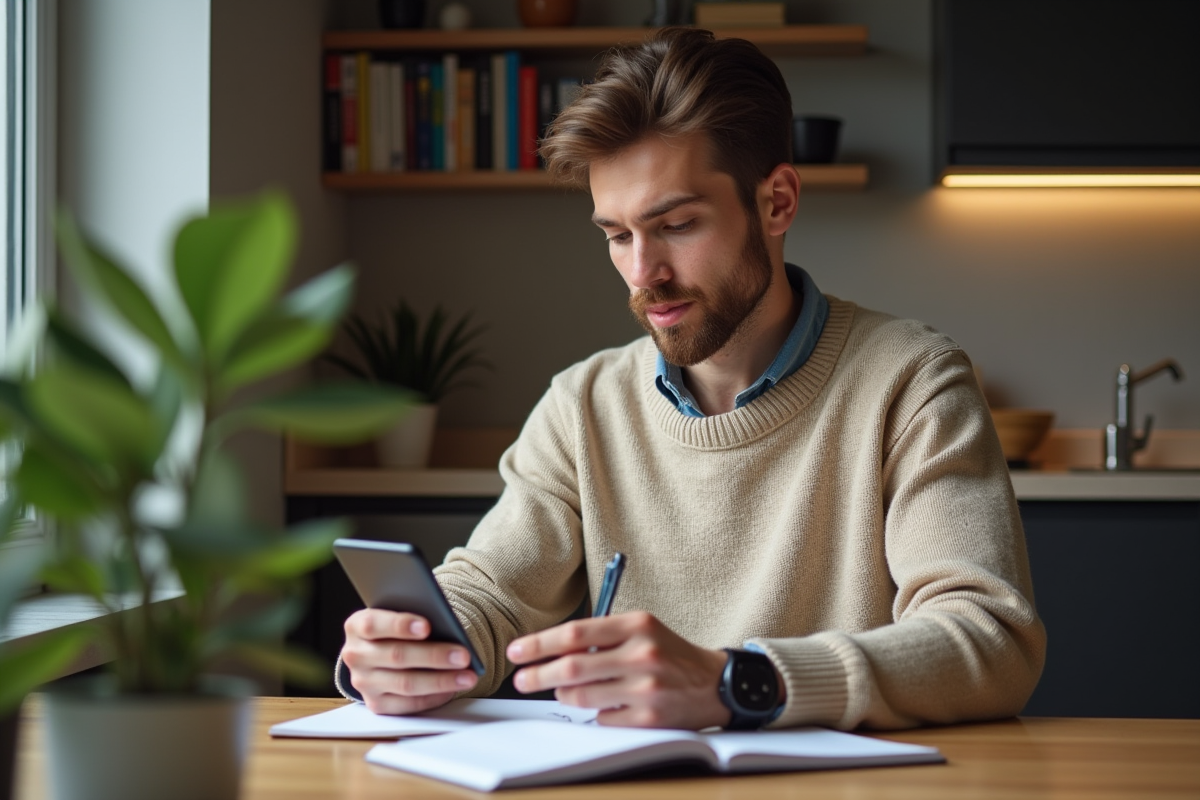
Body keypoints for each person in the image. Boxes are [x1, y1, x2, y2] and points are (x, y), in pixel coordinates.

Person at [338, 27, 1045, 731]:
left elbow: (989, 639)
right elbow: (489, 593)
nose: (644, 274)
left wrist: (739, 681)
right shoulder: (582, 405)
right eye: (617, 236)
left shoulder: (911, 381)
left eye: (675, 224)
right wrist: (413, 648)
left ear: (778, 203)